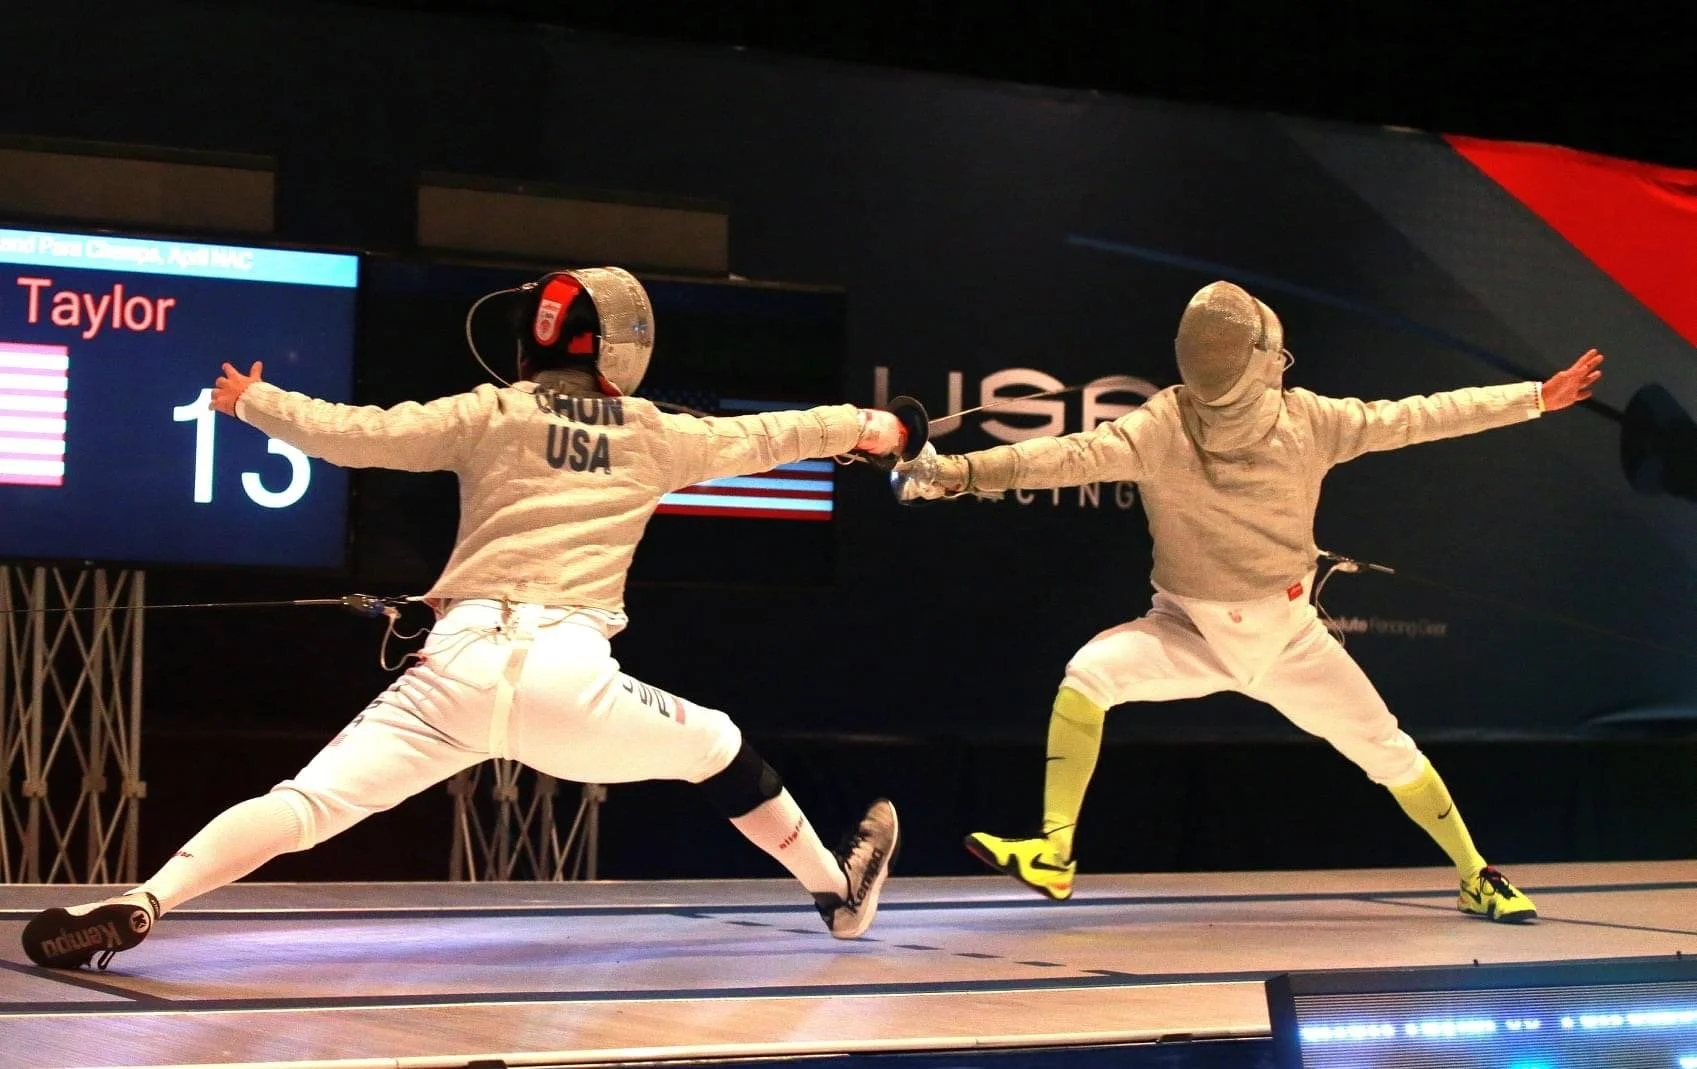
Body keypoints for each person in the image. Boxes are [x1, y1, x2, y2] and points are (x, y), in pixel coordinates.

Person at [23, 266, 906, 970]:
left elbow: (356, 433)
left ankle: (148, 899)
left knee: (306, 803)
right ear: (623, 350)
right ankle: (836, 895)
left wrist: (255, 402)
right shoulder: (657, 433)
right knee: (714, 743)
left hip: (453, 668)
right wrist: (881, 430)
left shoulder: (492, 412)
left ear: (536, 338)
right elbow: (784, 434)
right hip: (571, 679)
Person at [896, 280, 1604, 923]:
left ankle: (1474, 874)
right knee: (1088, 676)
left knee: (1386, 749)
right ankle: (1053, 851)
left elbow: (1419, 417)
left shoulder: (1276, 421)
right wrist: (949, 471)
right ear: (1263, 356)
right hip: (1186, 627)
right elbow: (1059, 457)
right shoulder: (1174, 422)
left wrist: (949, 472)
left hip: (1285, 639)